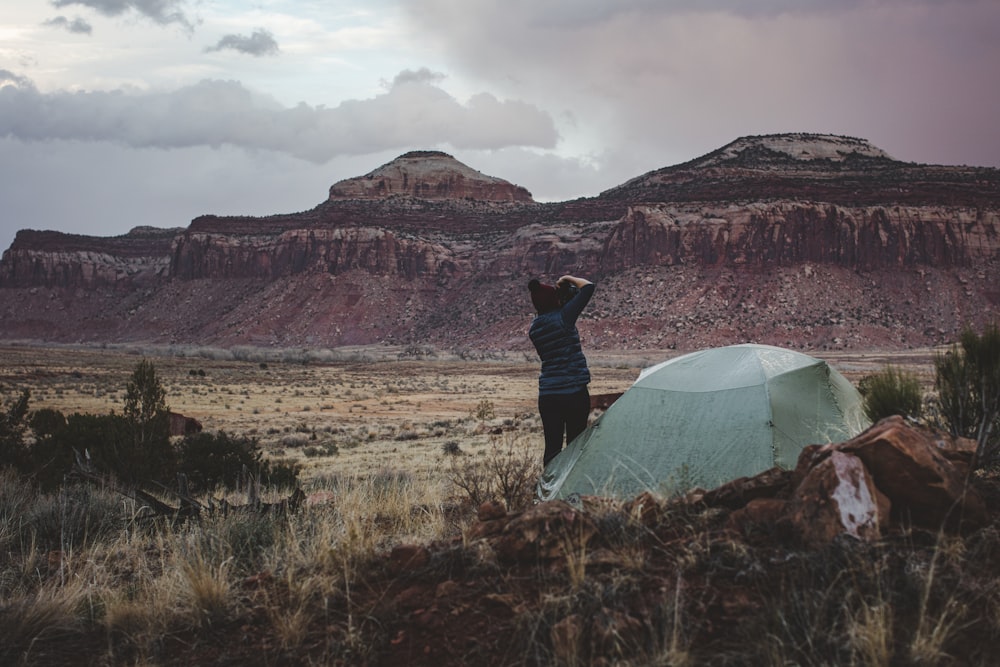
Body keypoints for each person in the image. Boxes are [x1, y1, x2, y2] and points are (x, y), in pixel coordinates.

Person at [527, 274, 595, 466]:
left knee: (552, 450)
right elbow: (588, 287)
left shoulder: (534, 329)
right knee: (575, 447)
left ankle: (548, 493)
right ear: (554, 300)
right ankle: (570, 491)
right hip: (573, 393)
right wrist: (567, 278)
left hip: (548, 395)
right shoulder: (564, 318)